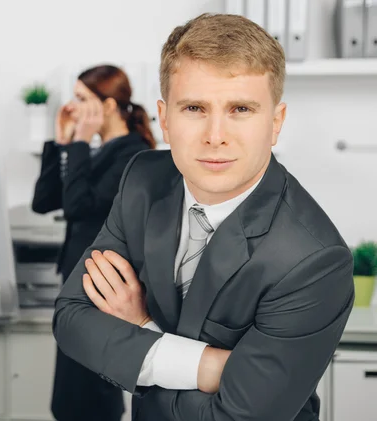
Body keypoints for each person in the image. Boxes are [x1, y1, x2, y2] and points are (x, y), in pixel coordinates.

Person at [53, 13, 354, 421]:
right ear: (164, 118)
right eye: (194, 107)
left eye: (240, 109)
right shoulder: (144, 178)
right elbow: (71, 318)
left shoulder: (313, 259)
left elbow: (239, 416)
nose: (215, 135)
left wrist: (142, 331)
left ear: (276, 122)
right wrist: (215, 367)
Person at [32, 64, 156, 421]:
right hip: (78, 278)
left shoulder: (134, 155)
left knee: (89, 387)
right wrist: (61, 143)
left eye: (82, 98)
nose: (73, 106)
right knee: (71, 388)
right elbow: (43, 202)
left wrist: (82, 144)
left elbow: (78, 208)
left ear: (109, 105)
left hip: (100, 286)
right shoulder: (101, 151)